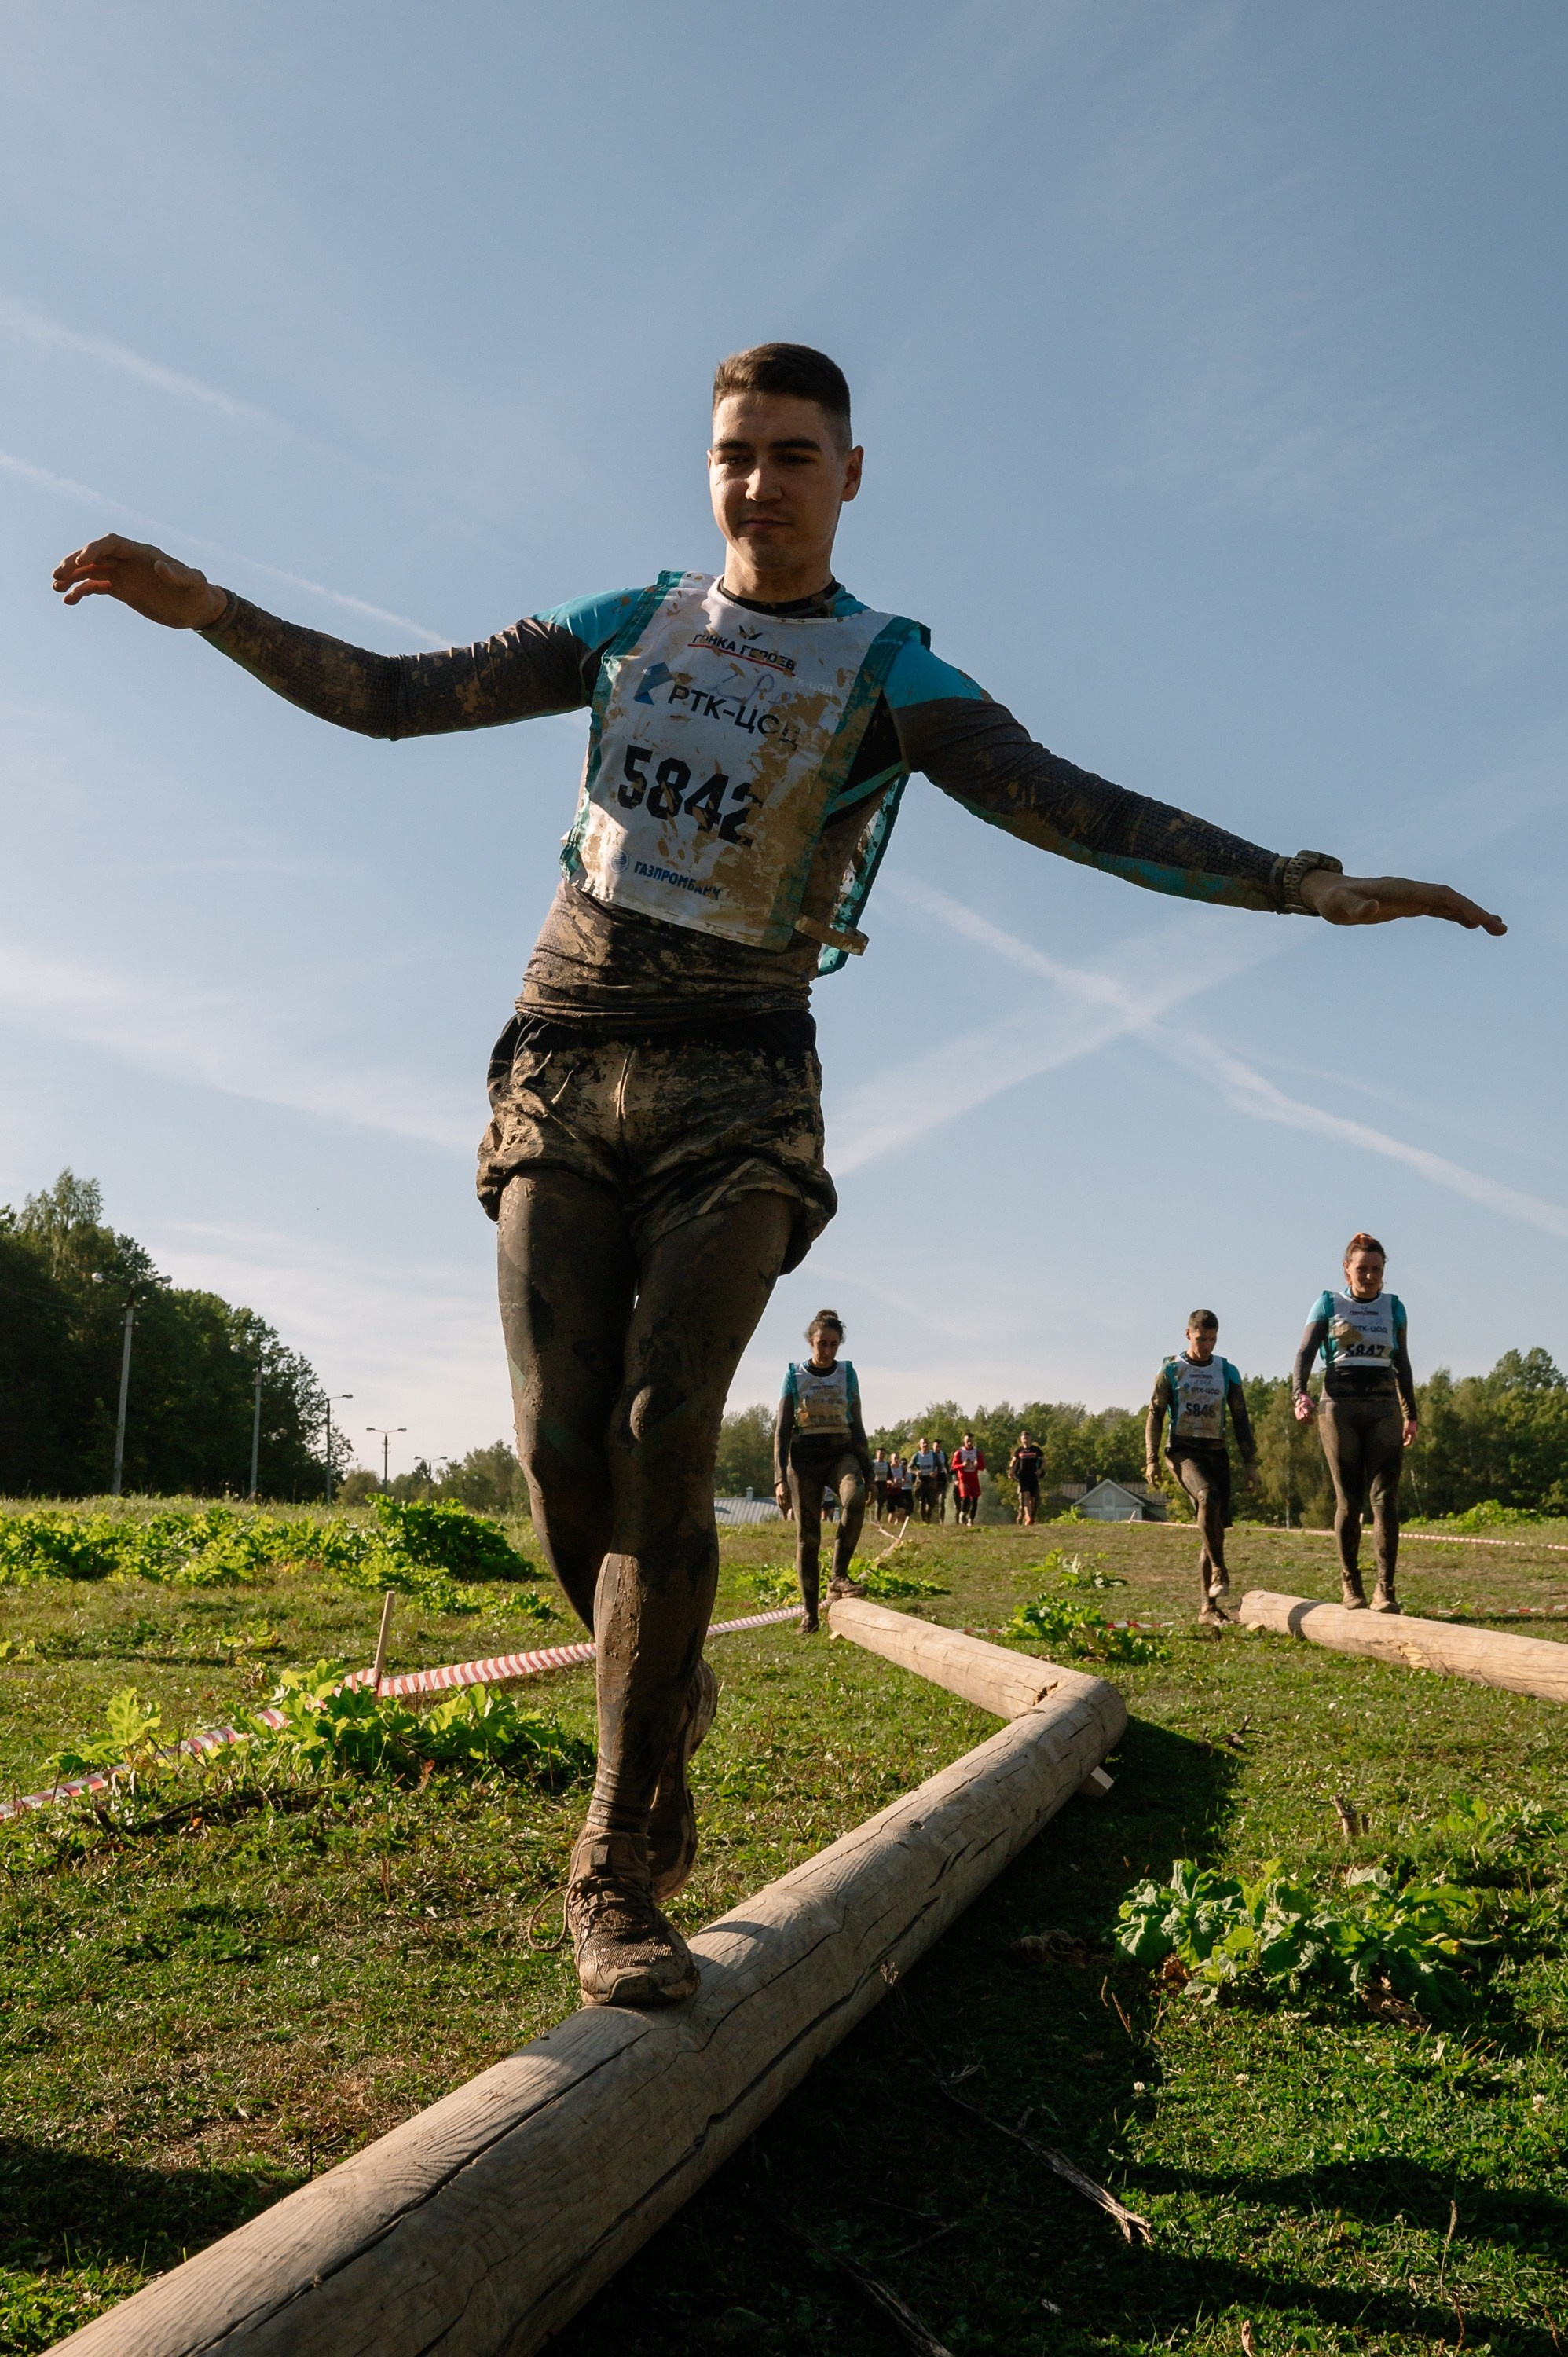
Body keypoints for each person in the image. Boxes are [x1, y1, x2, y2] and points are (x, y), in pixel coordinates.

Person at [51, 341, 1502, 2012]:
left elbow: (1063, 803)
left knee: (671, 1433)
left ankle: (616, 1858)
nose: (759, 482)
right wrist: (208, 607)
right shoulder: (629, 626)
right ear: (710, 468)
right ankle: (657, 1691)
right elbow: (395, 696)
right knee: (552, 1457)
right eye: (735, 452)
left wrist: (1295, 882)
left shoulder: (891, 671)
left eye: (793, 455)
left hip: (737, 1091)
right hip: (559, 1063)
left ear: (849, 475)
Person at [1293, 1234, 1417, 1613]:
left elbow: (1404, 1362)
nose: (1369, 1277)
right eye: (1361, 1269)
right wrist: (1300, 1394)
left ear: (1384, 1272)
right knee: (1349, 1500)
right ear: (1346, 1268)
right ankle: (1351, 1585)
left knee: (1385, 1500)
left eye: (1376, 1270)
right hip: (1339, 1408)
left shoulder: (1394, 1307)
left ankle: (1386, 1589)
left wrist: (1410, 1413)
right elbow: (1305, 1352)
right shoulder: (1329, 1303)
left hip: (1383, 1407)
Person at [1146, 1311, 1258, 1622]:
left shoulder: (1227, 1371)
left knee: (1212, 1531)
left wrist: (1250, 1464)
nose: (1206, 1346)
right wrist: (1151, 1459)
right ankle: (1220, 1569)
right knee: (1207, 1495)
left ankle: (1207, 1608)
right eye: (1201, 1339)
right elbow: (1155, 1414)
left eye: (1212, 1339)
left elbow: (1241, 1419)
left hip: (1216, 1452)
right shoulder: (1172, 1369)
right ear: (1188, 1334)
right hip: (1183, 1451)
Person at [774, 1309, 872, 1632]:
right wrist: (779, 1479)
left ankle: (839, 1575)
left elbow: (857, 1423)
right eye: (821, 1343)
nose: (826, 1350)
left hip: (840, 1454)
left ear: (839, 1345)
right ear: (810, 1342)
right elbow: (781, 1430)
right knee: (808, 1539)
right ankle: (810, 1613)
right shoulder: (795, 1376)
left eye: (833, 1344)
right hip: (804, 1463)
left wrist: (869, 1473)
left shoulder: (847, 1374)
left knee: (854, 1496)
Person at [1008, 1430, 1044, 1525]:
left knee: (1034, 1499)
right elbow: (1013, 1462)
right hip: (1023, 1477)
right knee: (1026, 1497)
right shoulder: (1019, 1451)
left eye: (1027, 1438)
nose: (1025, 1440)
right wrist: (1011, 1471)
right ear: (1021, 1439)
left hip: (1033, 1477)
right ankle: (1028, 1519)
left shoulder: (1036, 1450)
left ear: (1030, 1439)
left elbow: (1044, 1461)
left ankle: (1031, 1518)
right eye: (1024, 1438)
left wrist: (1041, 1470)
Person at [951, 1432, 985, 1527]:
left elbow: (982, 1467)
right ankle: (963, 1513)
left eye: (971, 1441)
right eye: (967, 1442)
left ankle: (971, 1520)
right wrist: (962, 1465)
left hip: (974, 1478)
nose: (969, 1443)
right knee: (965, 1498)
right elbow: (953, 1467)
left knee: (975, 1499)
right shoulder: (959, 1453)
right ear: (964, 1442)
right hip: (963, 1478)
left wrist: (977, 1465)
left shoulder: (977, 1452)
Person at [910, 1435, 945, 1523]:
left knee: (931, 1503)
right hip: (921, 1480)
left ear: (929, 1444)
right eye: (923, 1443)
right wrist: (915, 1472)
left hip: (931, 1480)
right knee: (922, 1502)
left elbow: (940, 1466)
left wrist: (936, 1472)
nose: (925, 1445)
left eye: (926, 1443)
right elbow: (908, 1468)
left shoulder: (933, 1455)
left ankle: (928, 1518)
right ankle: (924, 1521)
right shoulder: (916, 1456)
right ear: (920, 1445)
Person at [871, 1448, 891, 1525]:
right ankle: (877, 1521)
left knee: (882, 1503)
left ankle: (878, 1519)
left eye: (883, 1454)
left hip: (884, 1484)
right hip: (875, 1484)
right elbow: (867, 1473)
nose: (881, 1455)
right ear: (877, 1454)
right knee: (878, 1503)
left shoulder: (887, 1464)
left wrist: (891, 1481)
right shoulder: (873, 1463)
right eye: (880, 1453)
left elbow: (890, 1476)